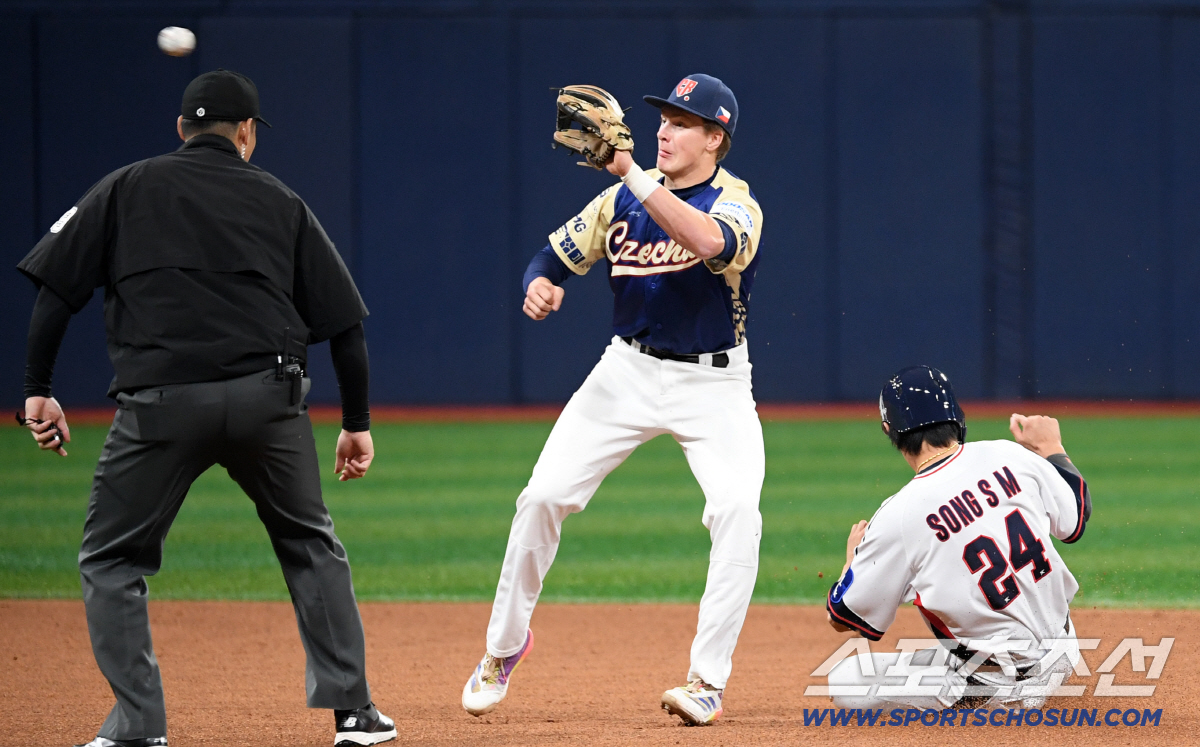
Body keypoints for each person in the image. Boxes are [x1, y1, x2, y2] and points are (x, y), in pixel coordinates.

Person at [17, 69, 395, 747]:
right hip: (267, 401)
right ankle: (355, 715)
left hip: (160, 404)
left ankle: (137, 725)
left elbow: (53, 290)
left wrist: (37, 388)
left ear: (181, 129)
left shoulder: (124, 187)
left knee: (112, 560)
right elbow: (347, 326)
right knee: (310, 546)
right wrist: (356, 425)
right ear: (247, 133)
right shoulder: (281, 199)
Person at [461, 74, 763, 726]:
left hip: (714, 383)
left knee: (738, 511)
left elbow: (711, 243)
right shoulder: (617, 200)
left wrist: (632, 173)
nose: (664, 129)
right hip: (625, 373)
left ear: (716, 137)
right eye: (663, 117)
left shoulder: (736, 203)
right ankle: (502, 649)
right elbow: (548, 256)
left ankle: (706, 682)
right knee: (541, 497)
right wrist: (538, 283)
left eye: (683, 121)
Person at [823, 366, 1092, 711]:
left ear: (889, 431)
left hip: (999, 686)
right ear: (957, 417)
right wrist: (1052, 448)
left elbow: (845, 617)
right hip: (1065, 652)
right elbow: (1076, 518)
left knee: (847, 679)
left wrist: (851, 563)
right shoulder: (1008, 454)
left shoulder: (899, 515)